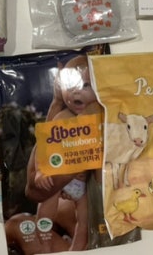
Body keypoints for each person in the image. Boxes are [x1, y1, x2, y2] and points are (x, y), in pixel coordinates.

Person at [26, 55, 102, 252]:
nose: (77, 91)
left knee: (85, 217)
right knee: (47, 205)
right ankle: (43, 239)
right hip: (57, 180)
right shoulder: (61, 116)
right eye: (70, 85)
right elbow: (44, 145)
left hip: (82, 184)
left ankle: (78, 246)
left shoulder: (98, 118)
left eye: (86, 86)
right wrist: (41, 171)